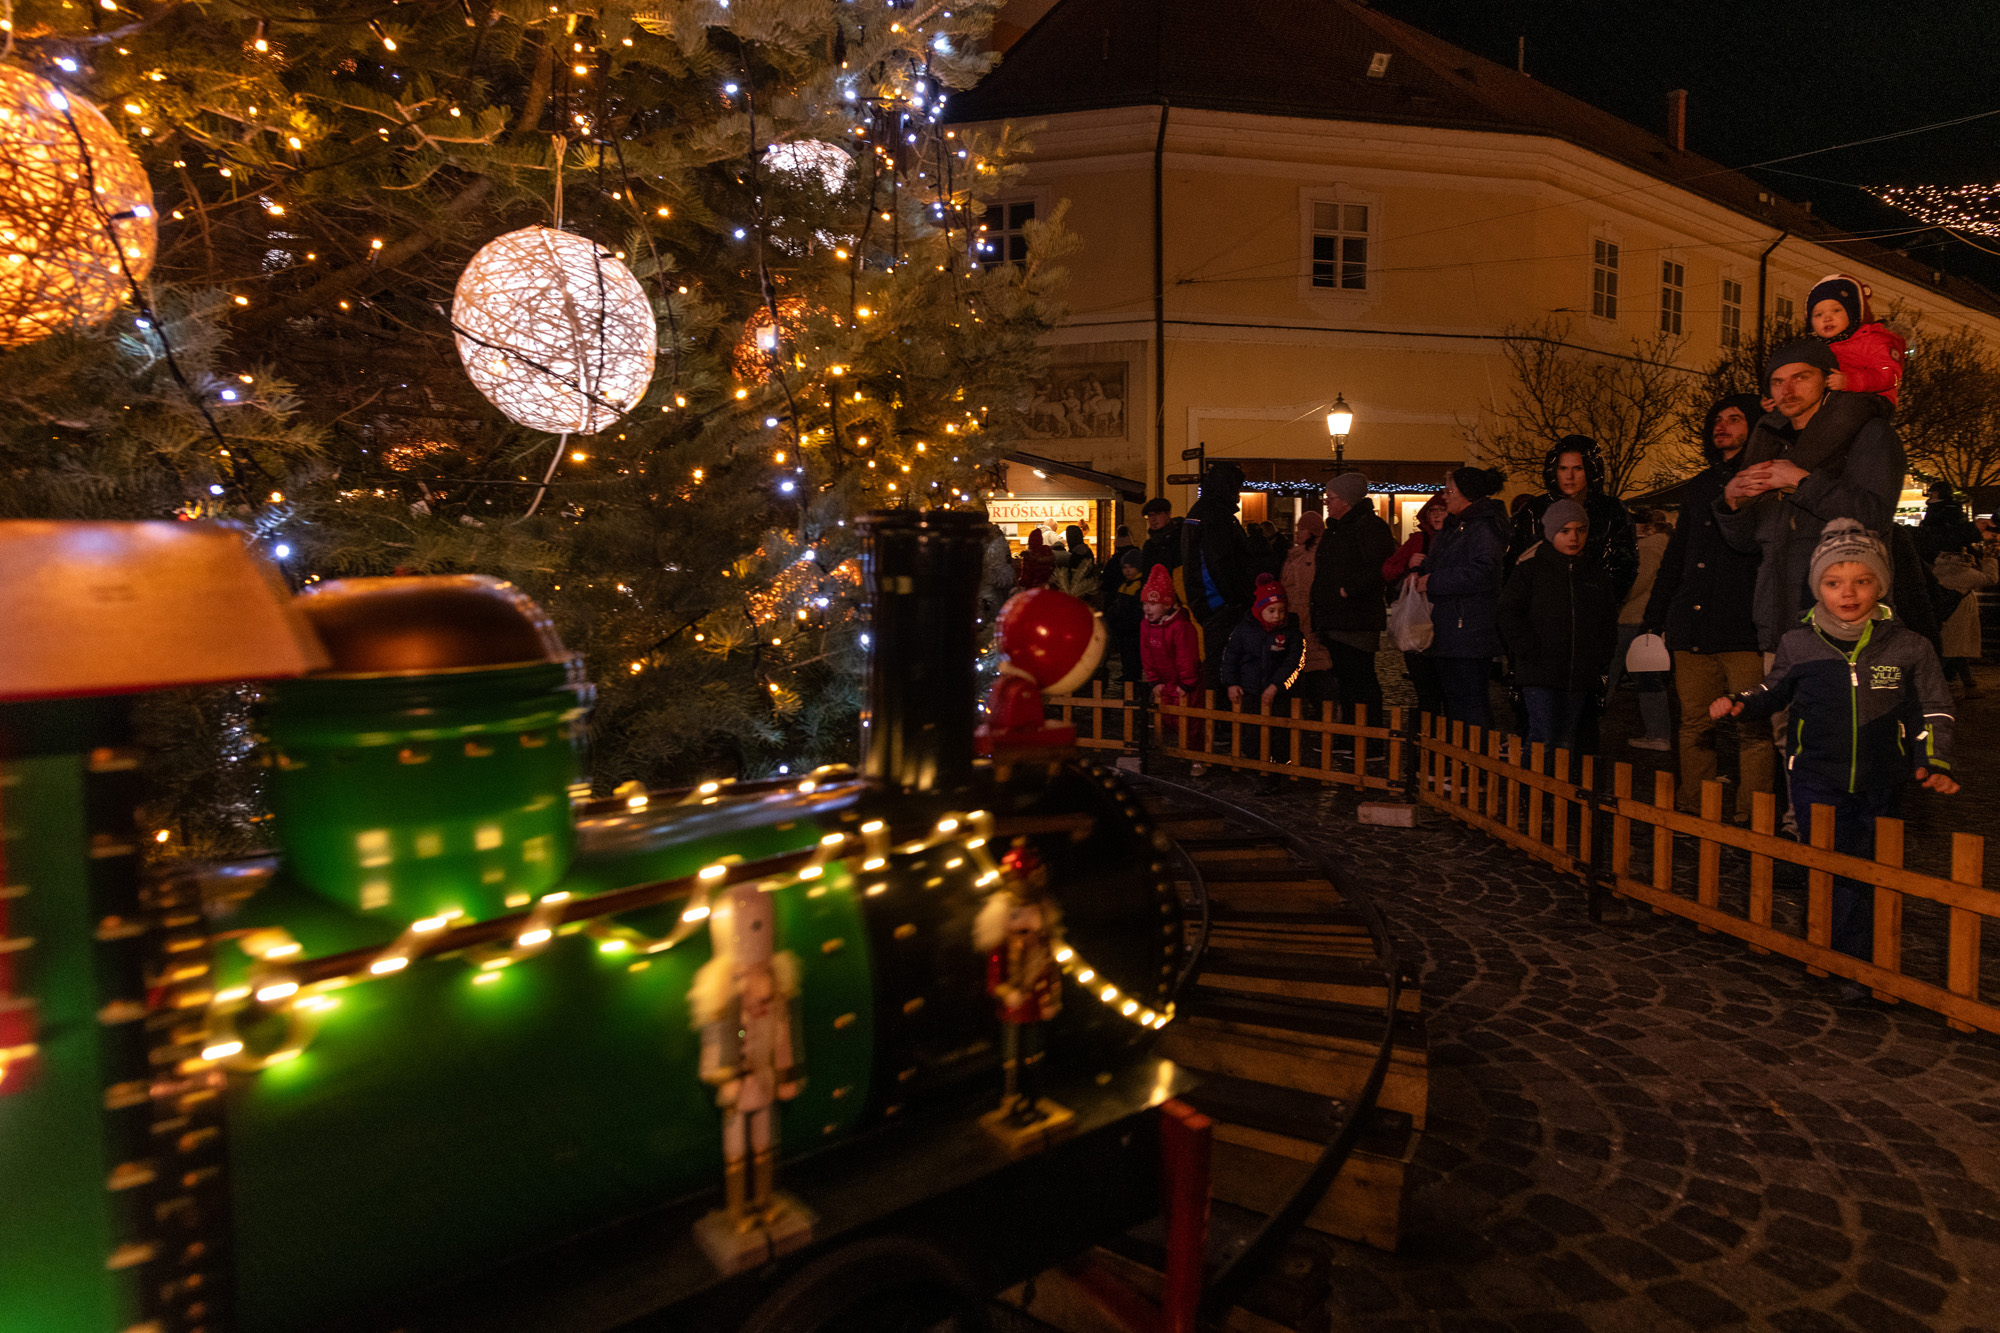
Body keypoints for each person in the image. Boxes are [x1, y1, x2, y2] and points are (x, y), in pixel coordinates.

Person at [1712, 519, 1957, 966]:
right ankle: (1846, 959)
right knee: (1831, 862)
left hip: (1881, 777)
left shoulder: (1909, 647)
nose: (1848, 593)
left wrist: (1934, 760)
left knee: (1871, 866)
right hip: (1815, 776)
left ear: (1880, 585)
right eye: (1833, 582)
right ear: (1817, 588)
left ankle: (1852, 951)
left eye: (1862, 581)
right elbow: (1774, 689)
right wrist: (1740, 702)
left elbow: (1934, 708)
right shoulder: (1798, 644)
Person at [1719, 337, 1909, 656]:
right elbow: (1750, 545)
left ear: (1828, 379)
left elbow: (1873, 518)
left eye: (1801, 377)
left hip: (1847, 634)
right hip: (1777, 631)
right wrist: (1732, 504)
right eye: (1777, 382)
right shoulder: (1770, 444)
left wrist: (1801, 481)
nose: (1787, 390)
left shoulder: (1870, 434)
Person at [1642, 393, 1773, 818]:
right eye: (1718, 419)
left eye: (1735, 419)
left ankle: (1751, 814)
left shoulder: (1768, 479)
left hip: (1744, 629)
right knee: (1694, 724)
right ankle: (1693, 805)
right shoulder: (1700, 485)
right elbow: (1678, 556)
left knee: (1754, 727)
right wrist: (1655, 617)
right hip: (1692, 627)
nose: (1723, 426)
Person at [1499, 499, 1619, 752]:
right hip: (1540, 670)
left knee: (1566, 739)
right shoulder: (1529, 571)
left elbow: (1607, 620)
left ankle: (1556, 789)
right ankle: (1532, 790)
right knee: (1542, 735)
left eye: (1580, 530)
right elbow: (1508, 613)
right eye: (1565, 531)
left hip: (1579, 672)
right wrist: (1528, 649)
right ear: (1551, 532)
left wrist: (1599, 656)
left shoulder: (1595, 575)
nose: (1573, 537)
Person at [1417, 466, 1511, 731]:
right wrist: (1421, 570)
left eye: (1450, 491)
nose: (1445, 496)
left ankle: (1475, 763)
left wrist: (1434, 581)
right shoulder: (1457, 525)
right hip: (1451, 626)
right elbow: (1444, 564)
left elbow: (1483, 572)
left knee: (1470, 701)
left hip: (1468, 628)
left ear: (1467, 495)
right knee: (1456, 700)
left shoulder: (1482, 527)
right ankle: (1461, 760)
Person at [1506, 435, 1640, 603]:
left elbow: (1624, 565)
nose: (1569, 476)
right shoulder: (1534, 511)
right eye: (1563, 468)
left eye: (1578, 468)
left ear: (1590, 470)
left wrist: (1599, 602)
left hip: (1592, 610)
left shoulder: (1612, 511)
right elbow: (1515, 564)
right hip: (1542, 611)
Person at [1311, 471, 1398, 724]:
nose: (1326, 502)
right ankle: (1351, 735)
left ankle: (1368, 739)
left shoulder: (1369, 527)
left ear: (1347, 501)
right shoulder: (1338, 529)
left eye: (1331, 497)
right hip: (1336, 617)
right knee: (1345, 681)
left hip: (1355, 618)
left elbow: (1378, 567)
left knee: (1360, 680)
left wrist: (1348, 589)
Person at [1221, 574, 1307, 782]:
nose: (1277, 615)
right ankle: (1255, 767)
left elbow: (1295, 663)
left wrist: (1277, 685)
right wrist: (1231, 683)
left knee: (1280, 733)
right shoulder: (1243, 631)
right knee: (1252, 732)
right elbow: (1230, 657)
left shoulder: (1292, 634)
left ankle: (1280, 769)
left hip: (1280, 694)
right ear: (1260, 610)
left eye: (1281, 610)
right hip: (1250, 691)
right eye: (1271, 611)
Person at [1182, 460, 1258, 692]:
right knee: (1222, 663)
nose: (1238, 494)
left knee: (1221, 661)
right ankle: (1220, 719)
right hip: (1220, 604)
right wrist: (1236, 599)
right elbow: (1221, 563)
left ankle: (1220, 718)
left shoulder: (1204, 512)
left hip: (1212, 601)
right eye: (1236, 488)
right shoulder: (1216, 515)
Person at [1609, 508, 1673, 751]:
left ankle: (1586, 724)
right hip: (1646, 619)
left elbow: (1634, 584)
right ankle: (1658, 734)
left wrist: (1613, 600)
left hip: (1629, 619)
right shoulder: (1663, 546)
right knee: (1648, 676)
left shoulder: (1646, 548)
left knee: (1609, 673)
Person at [1385, 494, 1448, 719]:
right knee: (1425, 689)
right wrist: (1408, 564)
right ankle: (1426, 739)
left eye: (1443, 509)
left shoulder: (1459, 539)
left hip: (1448, 624)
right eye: (1433, 511)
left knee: (1448, 691)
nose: (1438, 514)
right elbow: (1388, 570)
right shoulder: (1418, 540)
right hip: (1419, 622)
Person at [1138, 562, 1204, 768]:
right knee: (1167, 717)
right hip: (1164, 682)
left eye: (1152, 603)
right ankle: (1169, 754)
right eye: (1145, 603)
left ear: (1167, 604)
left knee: (1190, 721)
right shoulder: (1146, 626)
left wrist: (1186, 683)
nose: (1147, 608)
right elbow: (1146, 654)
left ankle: (1197, 759)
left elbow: (1187, 656)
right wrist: (1154, 679)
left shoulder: (1181, 627)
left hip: (1185, 683)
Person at [1807, 273, 1906, 406]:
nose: (1827, 318)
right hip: (1835, 400)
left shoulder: (1872, 339)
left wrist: (1849, 381)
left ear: (1852, 312)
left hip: (1874, 399)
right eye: (1818, 314)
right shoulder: (1813, 349)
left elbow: (1889, 375)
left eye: (1836, 310)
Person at [1280, 509, 1334, 704]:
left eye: (1302, 529)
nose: (1297, 533)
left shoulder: (1309, 558)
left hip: (1304, 620)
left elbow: (1305, 593)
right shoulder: (1298, 554)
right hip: (1296, 618)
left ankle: (1320, 712)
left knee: (1313, 664)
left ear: (1313, 531)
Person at [1933, 538, 1997, 696]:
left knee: (1955, 650)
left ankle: (1970, 685)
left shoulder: (1936, 569)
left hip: (1946, 617)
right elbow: (1990, 579)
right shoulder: (1966, 572)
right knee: (1951, 652)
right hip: (1961, 618)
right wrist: (1990, 559)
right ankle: (1925, 688)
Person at [1105, 547, 1147, 687]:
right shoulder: (1124, 585)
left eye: (1131, 567)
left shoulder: (1139, 585)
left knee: (1133, 655)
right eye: (1125, 567)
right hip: (1124, 629)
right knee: (1126, 654)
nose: (1127, 570)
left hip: (1133, 629)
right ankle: (1128, 674)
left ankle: (1133, 676)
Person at [1049, 523, 1100, 604]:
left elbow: (1075, 575)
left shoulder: (1077, 553)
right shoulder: (1085, 549)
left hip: (1080, 591)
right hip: (1088, 589)